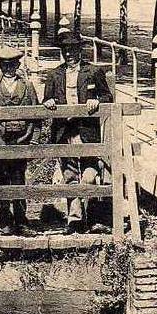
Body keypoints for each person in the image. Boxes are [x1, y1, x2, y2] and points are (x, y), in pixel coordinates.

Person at [42, 33, 113, 232]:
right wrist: (48, 102)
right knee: (69, 174)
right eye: (65, 51)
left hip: (87, 130)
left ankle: (91, 216)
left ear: (79, 50)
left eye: (73, 50)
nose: (69, 54)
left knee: (90, 173)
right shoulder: (54, 74)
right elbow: (46, 99)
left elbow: (108, 95)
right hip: (65, 131)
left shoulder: (93, 72)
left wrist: (97, 100)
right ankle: (75, 220)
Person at [0, 45, 39, 235]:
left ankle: (21, 221)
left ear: (18, 64)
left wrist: (34, 139)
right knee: (2, 180)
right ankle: (5, 221)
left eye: (12, 64)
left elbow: (36, 115)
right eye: (4, 65)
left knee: (19, 179)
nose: (8, 69)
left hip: (22, 139)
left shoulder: (27, 86)